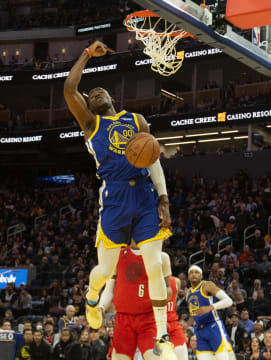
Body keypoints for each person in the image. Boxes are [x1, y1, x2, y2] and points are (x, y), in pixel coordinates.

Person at [64, 40, 174, 358]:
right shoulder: (90, 123)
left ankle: (163, 334)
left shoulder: (136, 120)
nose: (96, 92)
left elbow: (153, 160)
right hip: (114, 197)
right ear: (89, 102)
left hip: (143, 194)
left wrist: (163, 198)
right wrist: (86, 54)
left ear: (112, 98)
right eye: (92, 93)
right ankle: (91, 294)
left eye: (102, 91)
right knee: (104, 269)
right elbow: (70, 89)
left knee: (154, 265)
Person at [99, 239, 186, 360]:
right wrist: (101, 306)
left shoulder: (160, 257)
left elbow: (168, 291)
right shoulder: (117, 255)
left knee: (154, 357)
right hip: (123, 319)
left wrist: (161, 302)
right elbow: (109, 289)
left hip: (149, 318)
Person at [186, 264, 234, 360]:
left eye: (197, 272)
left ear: (201, 276)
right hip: (199, 332)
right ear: (188, 276)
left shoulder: (207, 285)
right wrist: (186, 325)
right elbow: (194, 314)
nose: (194, 274)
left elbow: (229, 301)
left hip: (213, 327)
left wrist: (210, 307)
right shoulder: (188, 293)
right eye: (191, 272)